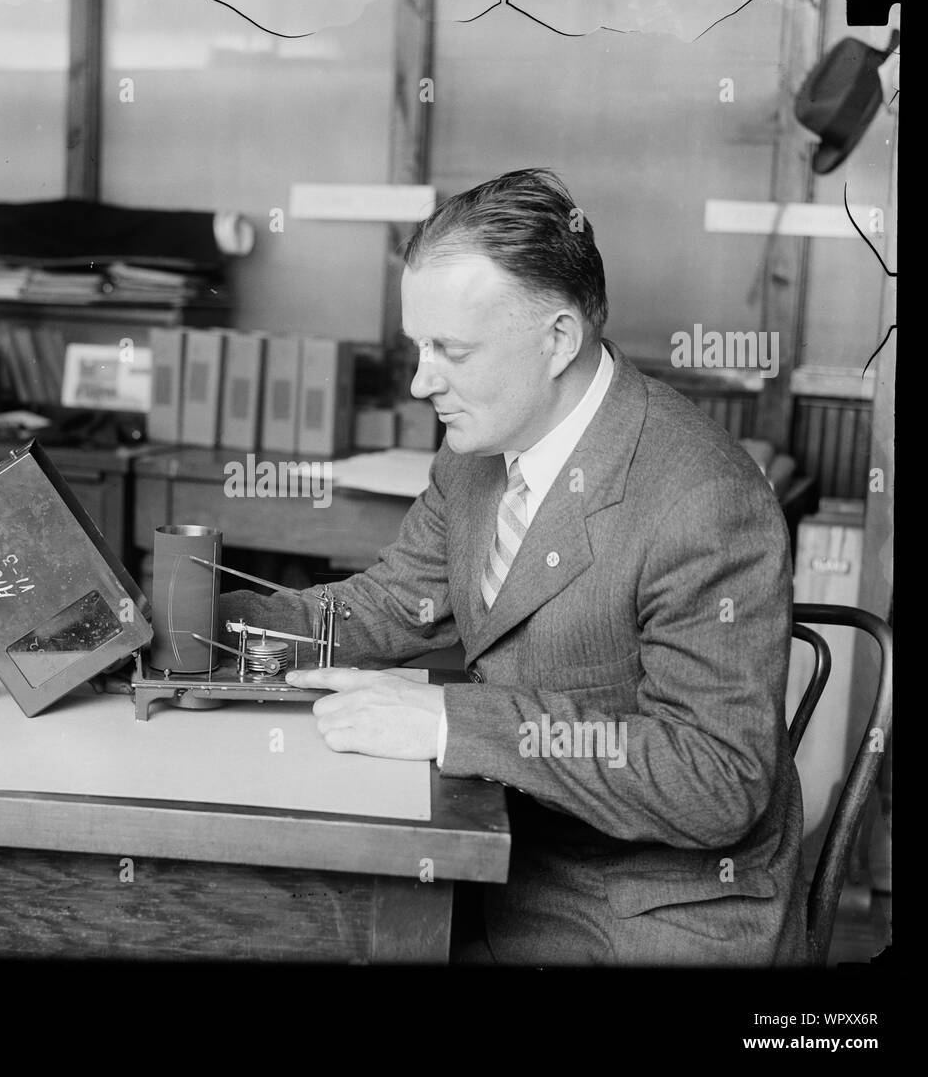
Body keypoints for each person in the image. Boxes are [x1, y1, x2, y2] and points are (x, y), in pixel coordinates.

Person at [218, 168, 808, 965]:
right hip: (504, 846)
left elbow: (715, 778)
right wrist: (207, 624)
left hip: (650, 903)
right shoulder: (477, 453)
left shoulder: (702, 499)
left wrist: (446, 723)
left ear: (558, 339)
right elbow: (395, 603)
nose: (424, 380)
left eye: (450, 350)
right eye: (418, 347)